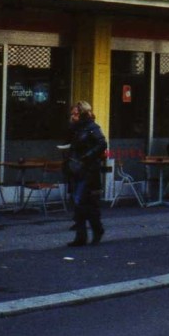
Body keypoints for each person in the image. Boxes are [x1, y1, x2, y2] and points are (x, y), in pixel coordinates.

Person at [62, 101, 107, 246]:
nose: (73, 116)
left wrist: (87, 156)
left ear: (82, 113)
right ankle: (85, 234)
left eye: (75, 113)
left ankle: (91, 232)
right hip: (76, 168)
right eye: (72, 113)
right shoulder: (75, 128)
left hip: (88, 170)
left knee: (81, 201)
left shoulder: (92, 127)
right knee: (81, 202)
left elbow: (102, 144)